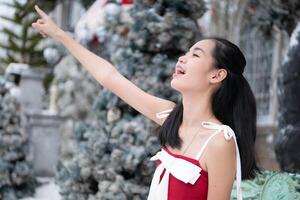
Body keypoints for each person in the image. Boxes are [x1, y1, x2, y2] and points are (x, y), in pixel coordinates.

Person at [32, 5, 259, 200]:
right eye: (187, 52)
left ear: (216, 75)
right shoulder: (170, 117)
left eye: (196, 55)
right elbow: (109, 77)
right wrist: (60, 34)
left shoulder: (219, 140)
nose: (183, 58)